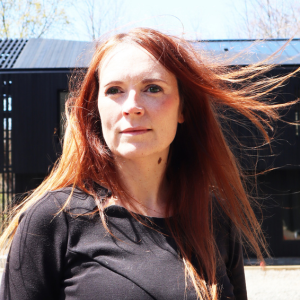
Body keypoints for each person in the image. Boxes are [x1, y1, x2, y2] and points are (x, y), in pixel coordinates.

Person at [0, 28, 297, 300]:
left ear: (183, 108)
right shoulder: (52, 221)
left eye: (152, 88)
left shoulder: (213, 219)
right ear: (96, 109)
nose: (132, 106)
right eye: (114, 90)